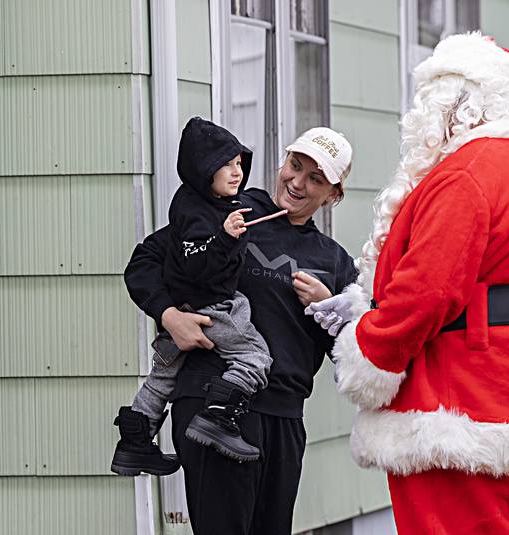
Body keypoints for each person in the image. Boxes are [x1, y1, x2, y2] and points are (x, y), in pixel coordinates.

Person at [306, 32, 509, 534]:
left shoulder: (465, 176)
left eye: (429, 103)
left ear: (458, 105)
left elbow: (428, 293)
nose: (422, 120)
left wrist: (368, 347)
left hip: (460, 413)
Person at [122, 125, 357, 535]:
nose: (297, 182)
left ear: (333, 195)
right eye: (294, 166)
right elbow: (145, 262)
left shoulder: (335, 262)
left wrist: (327, 306)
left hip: (285, 416)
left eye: (315, 179)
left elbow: (353, 351)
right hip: (209, 401)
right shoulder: (230, 212)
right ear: (282, 161)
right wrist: (169, 316)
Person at [111, 117, 273, 477]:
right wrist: (227, 239)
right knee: (255, 357)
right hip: (211, 310)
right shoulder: (200, 220)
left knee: (162, 378)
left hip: (185, 311)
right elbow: (198, 265)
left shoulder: (200, 205)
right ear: (203, 171)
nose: (237, 171)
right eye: (225, 164)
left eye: (238, 162)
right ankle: (218, 417)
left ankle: (134, 443)